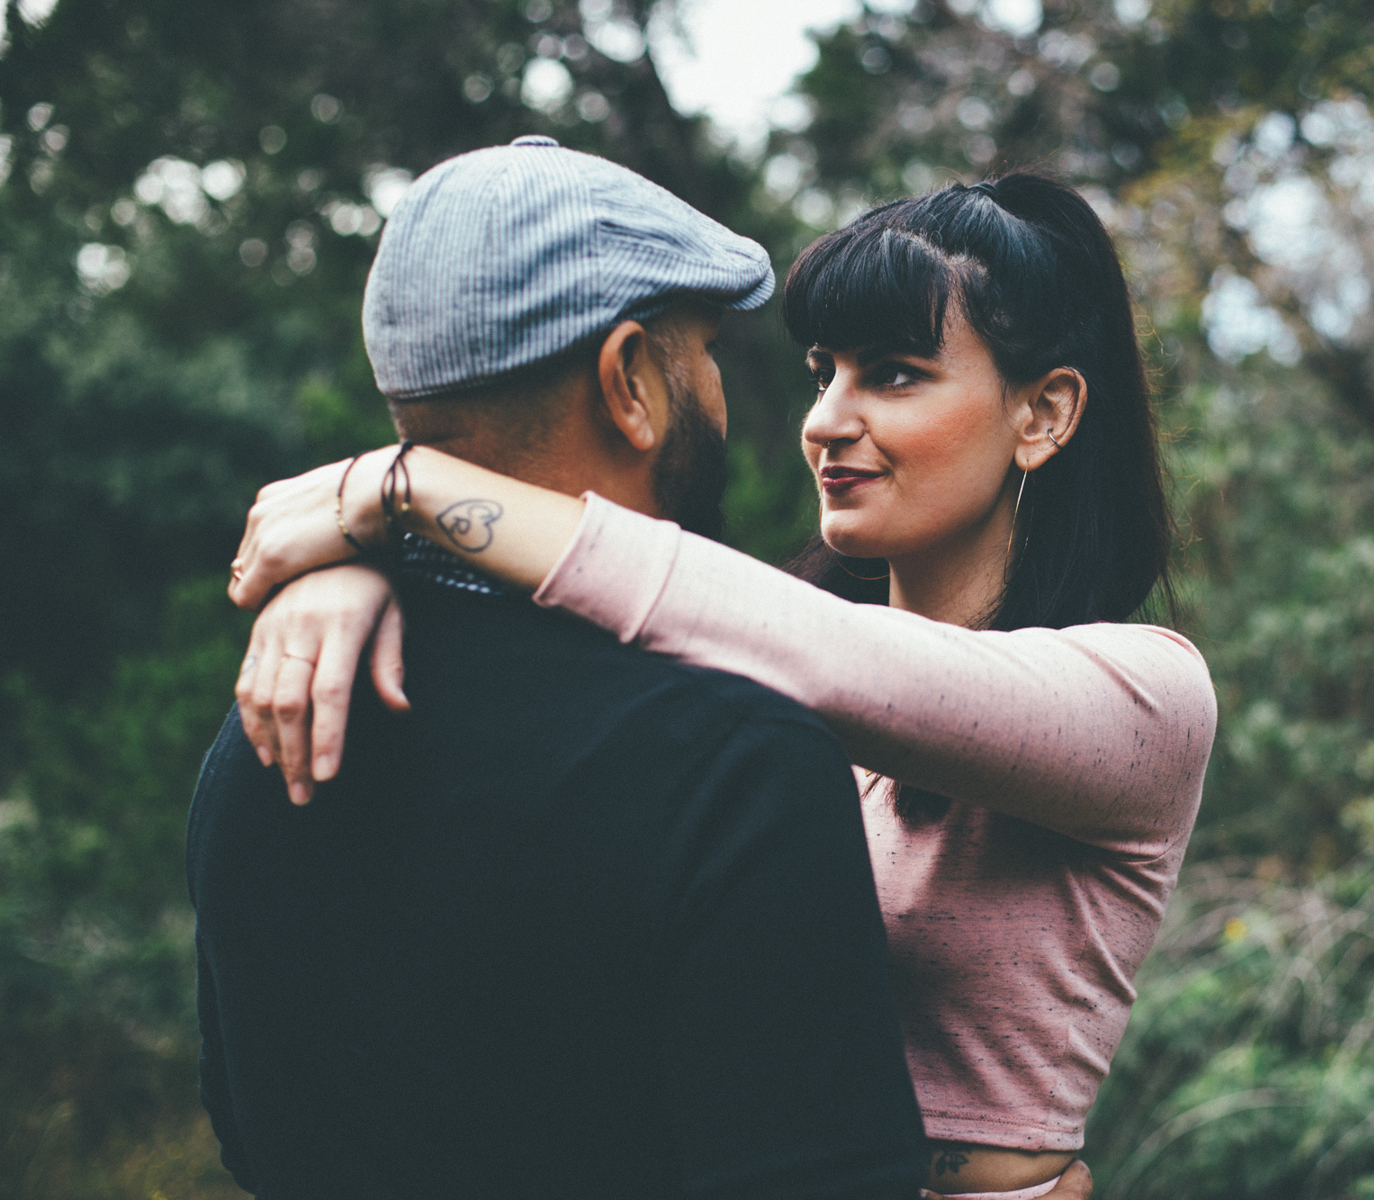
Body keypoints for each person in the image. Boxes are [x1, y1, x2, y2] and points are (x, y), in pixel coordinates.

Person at [229, 172, 1213, 1200]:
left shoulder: (1145, 697)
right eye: (823, 371)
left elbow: (833, 662)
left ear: (1044, 412)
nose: (825, 420)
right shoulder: (749, 650)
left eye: (895, 375)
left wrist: (406, 488)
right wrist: (357, 574)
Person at [187, 137, 934, 1200]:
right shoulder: (738, 765)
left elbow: (246, 1130)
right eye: (704, 351)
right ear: (630, 381)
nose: (716, 393)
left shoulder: (266, 729)